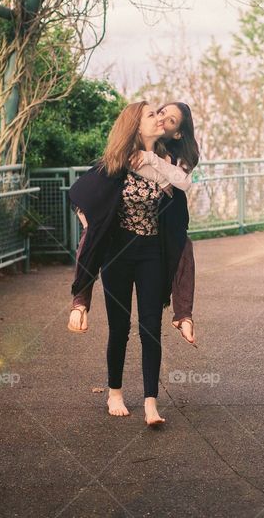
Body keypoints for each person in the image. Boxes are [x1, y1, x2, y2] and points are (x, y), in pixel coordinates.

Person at [68, 101, 176, 424]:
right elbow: (78, 194)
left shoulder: (165, 161)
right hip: (117, 253)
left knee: (151, 328)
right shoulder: (117, 162)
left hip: (151, 252)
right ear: (135, 126)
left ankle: (150, 402)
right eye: (151, 115)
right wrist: (88, 220)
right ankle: (114, 391)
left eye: (159, 114)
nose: (158, 118)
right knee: (120, 328)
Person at [68, 102, 200, 345]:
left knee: (183, 244)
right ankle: (80, 302)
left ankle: (184, 316)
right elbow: (97, 178)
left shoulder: (179, 155)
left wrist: (153, 161)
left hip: (165, 219)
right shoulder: (133, 150)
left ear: (179, 132)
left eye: (170, 120)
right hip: (126, 234)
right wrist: (83, 210)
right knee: (94, 232)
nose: (161, 118)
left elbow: (182, 181)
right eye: (159, 112)